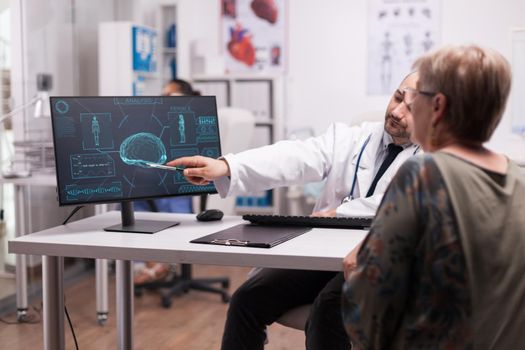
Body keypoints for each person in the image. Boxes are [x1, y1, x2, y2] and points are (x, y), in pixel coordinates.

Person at [168, 72, 421, 349]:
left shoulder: (436, 157)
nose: (397, 111)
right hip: (323, 255)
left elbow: (407, 202)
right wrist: (227, 167)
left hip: (376, 259)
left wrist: (341, 213)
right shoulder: (354, 137)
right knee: (246, 300)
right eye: (397, 97)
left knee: (327, 310)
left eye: (411, 108)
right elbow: (295, 157)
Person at [342, 45, 525, 349]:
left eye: (416, 99)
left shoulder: (422, 175)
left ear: (437, 106)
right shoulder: (520, 178)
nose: (407, 107)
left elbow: (368, 316)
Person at [133, 79, 200, 285]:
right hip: (166, 175)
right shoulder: (160, 122)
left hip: (189, 181)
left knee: (163, 197)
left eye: (170, 96)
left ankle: (163, 262)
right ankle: (149, 262)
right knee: (133, 196)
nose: (164, 99)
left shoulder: (194, 117)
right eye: (163, 95)